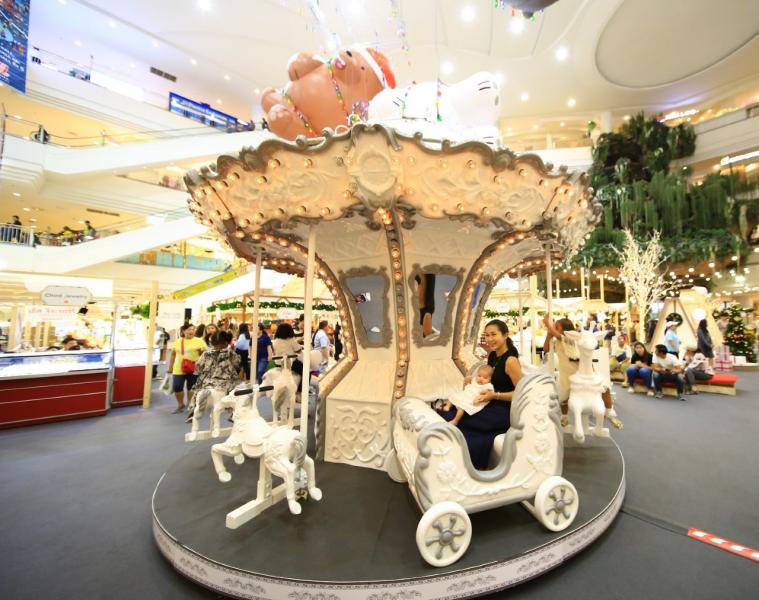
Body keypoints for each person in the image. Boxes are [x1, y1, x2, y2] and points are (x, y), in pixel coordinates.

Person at [440, 320, 522, 470]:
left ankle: (470, 463)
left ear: (505, 335)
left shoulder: (511, 361)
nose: (489, 339)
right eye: (486, 335)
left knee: (458, 417)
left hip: (503, 410)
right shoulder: (493, 356)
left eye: (493, 334)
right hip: (487, 403)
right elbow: (489, 381)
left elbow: (521, 393)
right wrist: (473, 381)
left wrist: (494, 395)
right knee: (451, 411)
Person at [543, 314, 623, 429]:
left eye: (557, 326)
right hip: (566, 371)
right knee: (564, 395)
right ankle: (564, 416)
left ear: (564, 328)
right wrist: (548, 335)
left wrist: (547, 323)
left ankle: (609, 411)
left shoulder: (570, 339)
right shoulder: (557, 340)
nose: (555, 328)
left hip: (579, 369)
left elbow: (557, 335)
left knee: (604, 387)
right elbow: (546, 349)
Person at [186, 331, 241, 423]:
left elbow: (198, 367)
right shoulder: (230, 353)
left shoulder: (206, 353)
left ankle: (194, 409)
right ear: (226, 343)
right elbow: (237, 364)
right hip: (226, 381)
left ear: (212, 343)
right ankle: (234, 413)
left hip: (208, 381)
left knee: (197, 390)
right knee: (240, 392)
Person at [168, 323, 207, 413]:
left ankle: (190, 404)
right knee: (177, 386)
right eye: (189, 329)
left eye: (193, 329)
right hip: (178, 367)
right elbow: (173, 354)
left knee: (191, 387)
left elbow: (205, 354)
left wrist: (201, 351)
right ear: (183, 331)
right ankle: (180, 404)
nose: (191, 331)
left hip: (194, 367)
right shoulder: (178, 341)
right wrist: (170, 367)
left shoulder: (199, 341)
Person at [272, 323, 304, 389]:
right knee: (305, 371)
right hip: (290, 364)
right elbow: (298, 350)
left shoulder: (275, 341)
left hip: (278, 364)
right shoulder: (291, 340)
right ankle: (301, 389)